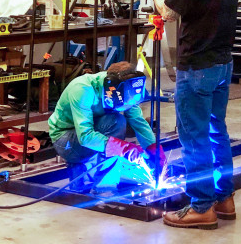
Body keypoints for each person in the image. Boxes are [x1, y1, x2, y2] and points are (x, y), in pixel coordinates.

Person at [147, 0, 240, 229]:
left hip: (197, 65)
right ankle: (224, 198)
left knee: (193, 137)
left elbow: (171, 12)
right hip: (222, 63)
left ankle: (202, 206)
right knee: (216, 131)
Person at [48, 61, 165, 190]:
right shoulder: (82, 90)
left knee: (116, 122)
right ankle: (100, 182)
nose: (128, 106)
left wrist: (154, 148)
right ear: (112, 88)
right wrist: (124, 148)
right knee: (117, 123)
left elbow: (138, 121)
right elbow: (85, 137)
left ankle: (104, 178)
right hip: (65, 138)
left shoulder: (126, 88)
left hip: (94, 129)